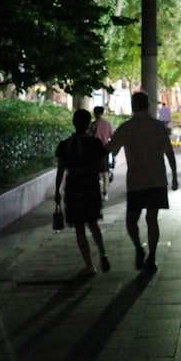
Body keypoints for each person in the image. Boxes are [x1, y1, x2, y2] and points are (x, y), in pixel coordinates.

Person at [106, 91, 179, 273]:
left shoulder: (126, 128)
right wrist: (174, 176)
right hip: (156, 179)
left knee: (131, 219)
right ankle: (152, 256)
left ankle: (139, 248)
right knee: (152, 219)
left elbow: (110, 148)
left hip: (136, 181)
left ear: (133, 105)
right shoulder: (157, 127)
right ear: (148, 105)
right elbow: (169, 152)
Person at [56, 109, 111, 276]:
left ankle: (89, 265)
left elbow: (60, 171)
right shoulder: (95, 144)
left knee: (79, 228)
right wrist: (103, 190)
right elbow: (102, 168)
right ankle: (103, 253)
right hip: (90, 185)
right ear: (89, 124)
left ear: (74, 123)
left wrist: (57, 191)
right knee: (93, 223)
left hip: (73, 187)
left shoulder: (65, 145)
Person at [90, 106, 114, 183]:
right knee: (105, 168)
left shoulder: (93, 124)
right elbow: (111, 136)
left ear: (94, 113)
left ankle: (97, 183)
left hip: (95, 149)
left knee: (95, 167)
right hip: (105, 148)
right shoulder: (107, 124)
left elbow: (90, 136)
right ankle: (105, 188)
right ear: (102, 113)